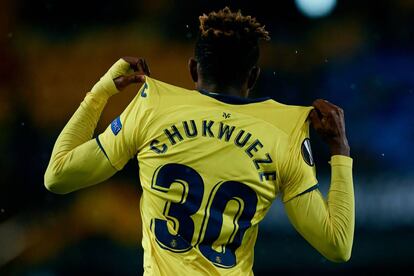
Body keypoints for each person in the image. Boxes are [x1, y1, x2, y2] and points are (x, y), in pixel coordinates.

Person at [44, 7, 354, 275]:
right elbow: (337, 246)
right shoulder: (282, 135)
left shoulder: (152, 109)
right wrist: (340, 150)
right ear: (253, 77)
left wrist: (100, 92)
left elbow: (57, 176)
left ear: (193, 68)